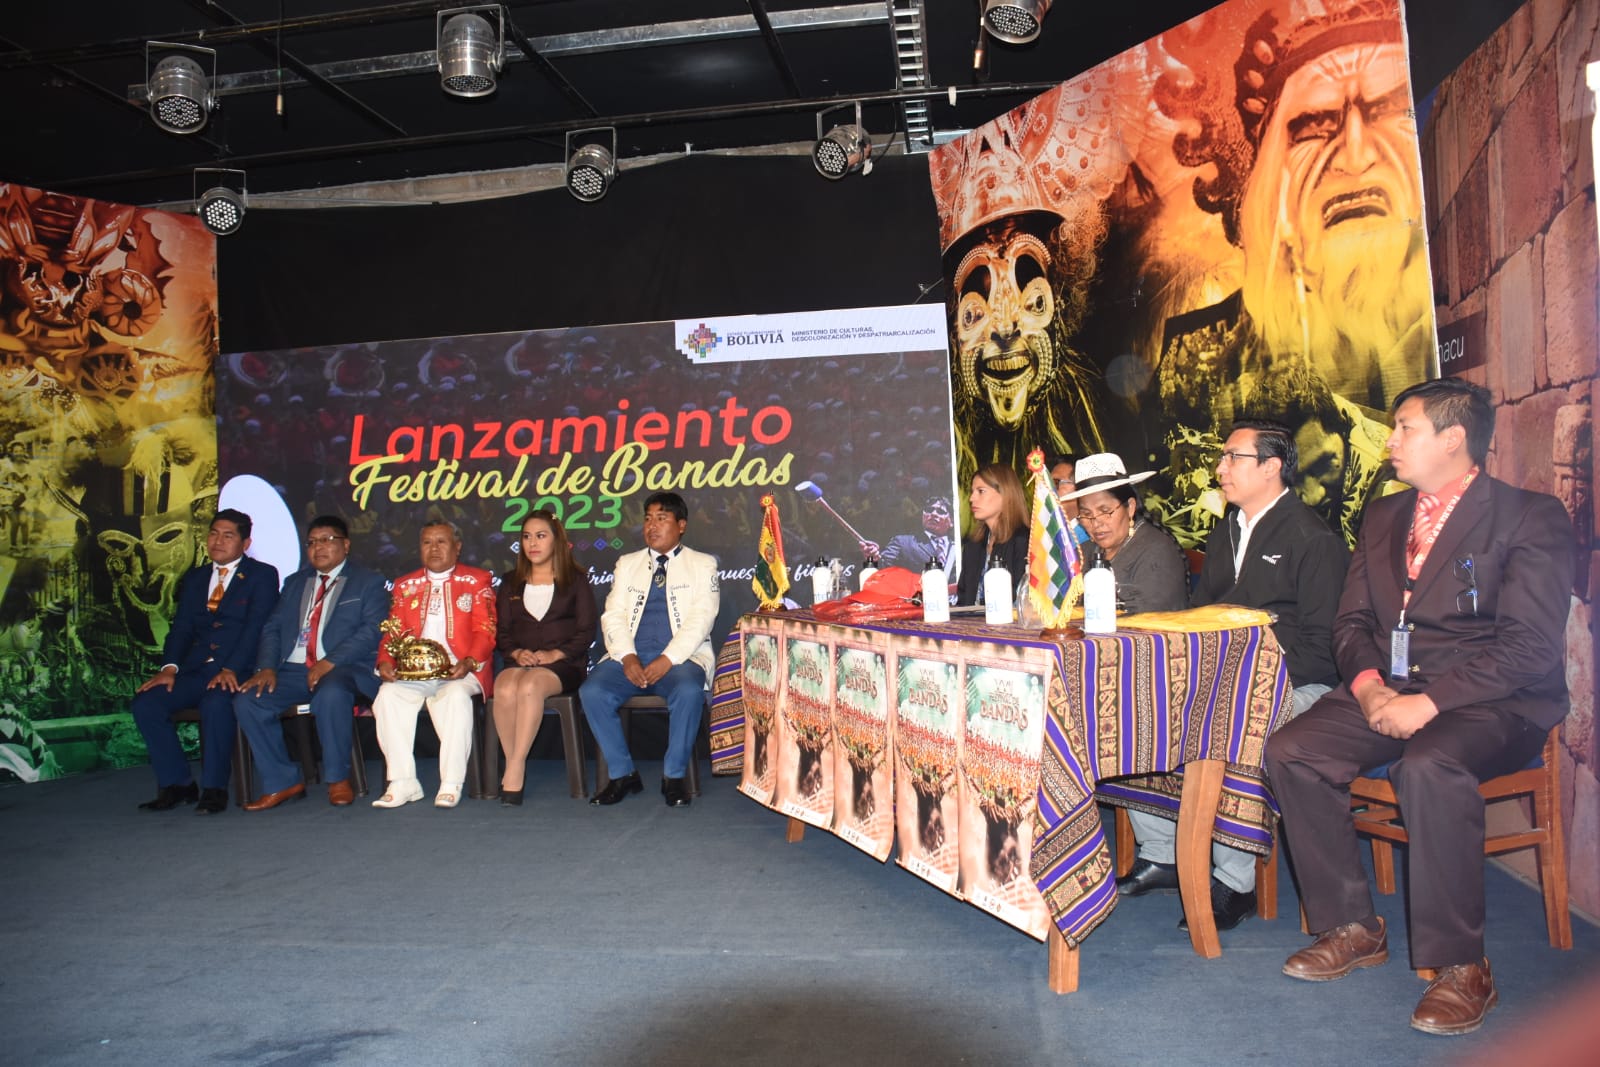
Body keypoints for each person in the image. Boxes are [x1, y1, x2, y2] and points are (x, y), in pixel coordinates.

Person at [1266, 379, 1573, 1036]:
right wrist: (1369, 687)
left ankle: (1463, 966)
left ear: (1454, 437)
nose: (1391, 441)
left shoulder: (1529, 516)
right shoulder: (1383, 516)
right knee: (1294, 748)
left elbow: (1529, 647)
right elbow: (1351, 622)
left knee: (1429, 764)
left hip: (1494, 700)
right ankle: (1353, 925)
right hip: (1393, 687)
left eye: (1405, 428)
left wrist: (1430, 702)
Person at [1119, 421, 1349, 928]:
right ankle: (1162, 851)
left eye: (1232, 457)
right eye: (1222, 457)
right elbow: (1200, 617)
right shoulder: (1225, 532)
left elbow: (1323, 648)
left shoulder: (1313, 539)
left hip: (1299, 684)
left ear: (1271, 467)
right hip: (1223, 678)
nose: (1220, 468)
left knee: (1233, 721)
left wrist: (1250, 680)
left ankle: (1235, 882)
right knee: (1141, 699)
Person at [130, 508, 280, 815]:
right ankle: (178, 784)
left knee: (216, 704)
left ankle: (214, 789)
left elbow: (256, 628)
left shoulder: (262, 575)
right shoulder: (196, 577)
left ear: (245, 543)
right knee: (146, 703)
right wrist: (169, 668)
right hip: (195, 670)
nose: (218, 541)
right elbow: (182, 628)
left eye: (228, 536)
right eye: (213, 534)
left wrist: (230, 668)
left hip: (238, 669)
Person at [234, 515, 387, 810]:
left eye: (327, 540)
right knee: (249, 700)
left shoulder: (368, 582)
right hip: (293, 670)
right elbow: (272, 628)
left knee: (331, 692)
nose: (319, 547)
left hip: (343, 668)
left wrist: (329, 662)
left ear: (346, 545)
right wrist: (266, 667)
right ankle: (282, 781)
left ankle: (338, 778)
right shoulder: (295, 582)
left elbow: (372, 631)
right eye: (312, 542)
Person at [581, 492, 719, 808]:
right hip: (628, 657)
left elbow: (702, 618)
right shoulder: (627, 564)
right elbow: (613, 614)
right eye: (647, 519)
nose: (652, 526)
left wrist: (667, 659)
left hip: (681, 659)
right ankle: (623, 774)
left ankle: (674, 776)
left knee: (688, 691)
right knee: (593, 692)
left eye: (661, 518)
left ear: (681, 525)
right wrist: (627, 657)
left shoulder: (702, 564)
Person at [370, 520, 496, 810]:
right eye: (427, 542)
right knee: (387, 697)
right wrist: (385, 661)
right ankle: (403, 782)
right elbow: (392, 632)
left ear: (457, 547)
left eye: (442, 541)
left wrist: (468, 661)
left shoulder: (477, 580)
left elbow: (486, 629)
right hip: (415, 670)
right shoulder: (404, 585)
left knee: (454, 697)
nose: (434, 548)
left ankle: (451, 782)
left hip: (462, 668)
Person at [494, 510, 597, 806]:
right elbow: (502, 632)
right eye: (527, 537)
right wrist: (516, 652)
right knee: (504, 686)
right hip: (520, 661)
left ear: (556, 540)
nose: (533, 543)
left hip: (565, 664)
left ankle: (515, 767)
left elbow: (586, 631)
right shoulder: (510, 581)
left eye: (540, 536)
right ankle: (514, 760)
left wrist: (556, 653)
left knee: (530, 686)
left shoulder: (575, 580)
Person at [1063, 453, 1188, 614]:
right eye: (1086, 514)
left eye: (1105, 511)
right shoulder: (1082, 553)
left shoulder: (1157, 551)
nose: (1096, 522)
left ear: (1130, 507)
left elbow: (1146, 620)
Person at [955, 463, 1030, 607]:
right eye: (972, 491)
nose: (971, 498)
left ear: (1005, 494)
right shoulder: (973, 545)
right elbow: (963, 600)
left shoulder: (1024, 541)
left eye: (981, 491)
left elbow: (1023, 597)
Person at [860, 495, 958, 581]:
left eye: (940, 511)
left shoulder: (959, 548)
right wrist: (874, 557)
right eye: (929, 510)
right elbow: (884, 566)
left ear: (952, 522)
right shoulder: (903, 542)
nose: (933, 514)